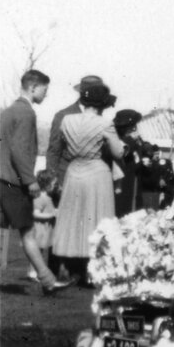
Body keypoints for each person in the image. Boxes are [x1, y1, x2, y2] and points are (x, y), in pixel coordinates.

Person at [0, 70, 73, 295]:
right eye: (44, 89)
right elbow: (20, 151)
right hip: (14, 183)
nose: (46, 94)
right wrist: (30, 181)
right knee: (28, 233)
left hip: (1, 181)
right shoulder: (26, 113)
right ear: (33, 88)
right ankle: (48, 281)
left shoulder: (8, 112)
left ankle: (47, 279)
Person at [50, 81, 125, 285]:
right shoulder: (104, 123)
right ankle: (92, 271)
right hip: (96, 171)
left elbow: (60, 146)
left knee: (73, 220)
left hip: (74, 171)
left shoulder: (67, 120)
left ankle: (68, 267)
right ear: (102, 104)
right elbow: (118, 152)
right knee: (97, 219)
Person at [46, 74, 109, 188]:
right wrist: (52, 180)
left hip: (92, 180)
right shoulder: (63, 115)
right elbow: (54, 151)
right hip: (66, 178)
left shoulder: (99, 116)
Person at [32, 169, 59, 270]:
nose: (54, 187)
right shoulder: (40, 198)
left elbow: (49, 209)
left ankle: (37, 270)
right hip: (39, 230)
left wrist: (55, 211)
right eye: (53, 184)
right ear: (46, 184)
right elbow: (35, 214)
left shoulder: (48, 198)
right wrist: (50, 215)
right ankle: (32, 271)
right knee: (36, 252)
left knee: (40, 252)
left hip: (45, 230)